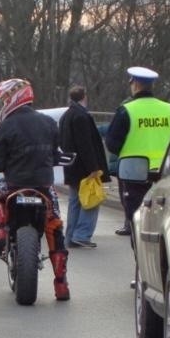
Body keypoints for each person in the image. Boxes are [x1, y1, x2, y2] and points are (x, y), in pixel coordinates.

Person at [0, 78, 71, 301]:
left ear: (14, 97)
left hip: (14, 184)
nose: (4, 103)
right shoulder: (48, 123)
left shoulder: (3, 126)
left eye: (5, 99)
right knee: (54, 227)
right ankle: (61, 284)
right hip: (43, 185)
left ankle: (2, 229)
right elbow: (54, 154)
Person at [105, 66, 170, 236]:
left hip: (134, 170)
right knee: (163, 207)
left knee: (136, 214)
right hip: (164, 169)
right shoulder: (169, 109)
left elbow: (112, 143)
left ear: (135, 84)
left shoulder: (127, 110)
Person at [58, 85, 110, 248]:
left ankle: (71, 236)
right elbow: (86, 145)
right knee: (91, 200)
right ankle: (82, 234)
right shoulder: (81, 116)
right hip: (84, 168)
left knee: (75, 202)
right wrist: (93, 167)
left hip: (72, 165)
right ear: (84, 97)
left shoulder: (66, 116)